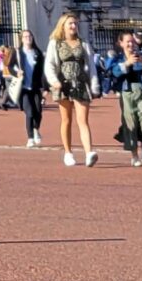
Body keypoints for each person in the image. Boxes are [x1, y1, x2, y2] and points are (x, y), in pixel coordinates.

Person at [43, 14, 97, 167]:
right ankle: (68, 152)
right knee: (66, 120)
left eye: (75, 23)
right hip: (63, 84)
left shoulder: (83, 43)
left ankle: (89, 153)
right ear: (63, 26)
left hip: (80, 83)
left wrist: (94, 84)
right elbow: (50, 64)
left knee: (83, 120)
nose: (74, 26)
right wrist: (54, 80)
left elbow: (91, 66)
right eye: (71, 23)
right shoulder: (56, 43)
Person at [111, 31, 142, 164]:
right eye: (128, 41)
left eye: (133, 41)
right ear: (121, 43)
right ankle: (134, 155)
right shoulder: (118, 58)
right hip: (126, 92)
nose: (131, 44)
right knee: (131, 123)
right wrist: (127, 63)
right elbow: (113, 72)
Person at [15, 32, 46, 147]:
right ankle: (30, 138)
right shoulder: (18, 52)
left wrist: (45, 88)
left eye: (30, 36)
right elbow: (9, 65)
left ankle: (36, 129)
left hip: (36, 87)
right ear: (22, 39)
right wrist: (16, 72)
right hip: (23, 88)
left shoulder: (38, 53)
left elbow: (43, 71)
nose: (28, 38)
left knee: (38, 111)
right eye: (25, 37)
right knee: (29, 112)